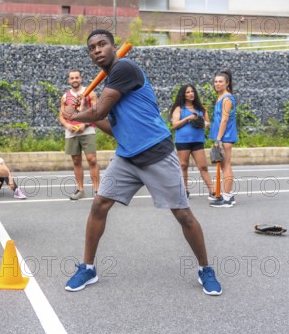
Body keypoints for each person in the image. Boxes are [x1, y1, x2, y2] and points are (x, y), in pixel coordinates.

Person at [61, 29, 222, 296]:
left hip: (156, 153)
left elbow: (99, 111)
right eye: (91, 48)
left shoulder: (125, 68)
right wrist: (81, 113)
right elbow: (111, 126)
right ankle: (88, 267)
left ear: (114, 47)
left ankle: (205, 269)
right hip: (127, 156)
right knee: (99, 205)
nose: (97, 50)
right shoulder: (111, 83)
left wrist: (76, 114)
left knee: (183, 214)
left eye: (102, 44)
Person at [170, 84, 218, 201]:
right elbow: (174, 125)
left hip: (197, 140)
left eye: (192, 91)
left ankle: (213, 191)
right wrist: (188, 118)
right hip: (183, 141)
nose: (191, 94)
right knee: (183, 165)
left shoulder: (201, 108)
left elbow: (207, 122)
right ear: (183, 94)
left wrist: (204, 123)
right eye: (187, 92)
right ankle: (184, 191)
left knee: (203, 166)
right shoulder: (179, 108)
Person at [59, 68, 100, 200]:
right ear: (68, 80)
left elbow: (96, 111)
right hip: (71, 131)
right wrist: (67, 125)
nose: (75, 80)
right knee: (76, 161)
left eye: (77, 77)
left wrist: (85, 124)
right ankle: (80, 190)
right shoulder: (65, 97)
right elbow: (61, 116)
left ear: (80, 79)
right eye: (72, 78)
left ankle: (97, 190)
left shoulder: (90, 93)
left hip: (87, 129)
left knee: (92, 160)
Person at [208, 69, 238, 208]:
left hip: (225, 136)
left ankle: (227, 198)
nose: (217, 84)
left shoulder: (227, 98)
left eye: (220, 82)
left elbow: (224, 120)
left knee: (226, 166)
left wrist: (219, 139)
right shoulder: (220, 97)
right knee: (223, 166)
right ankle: (228, 195)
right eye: (215, 81)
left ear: (227, 83)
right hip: (221, 136)